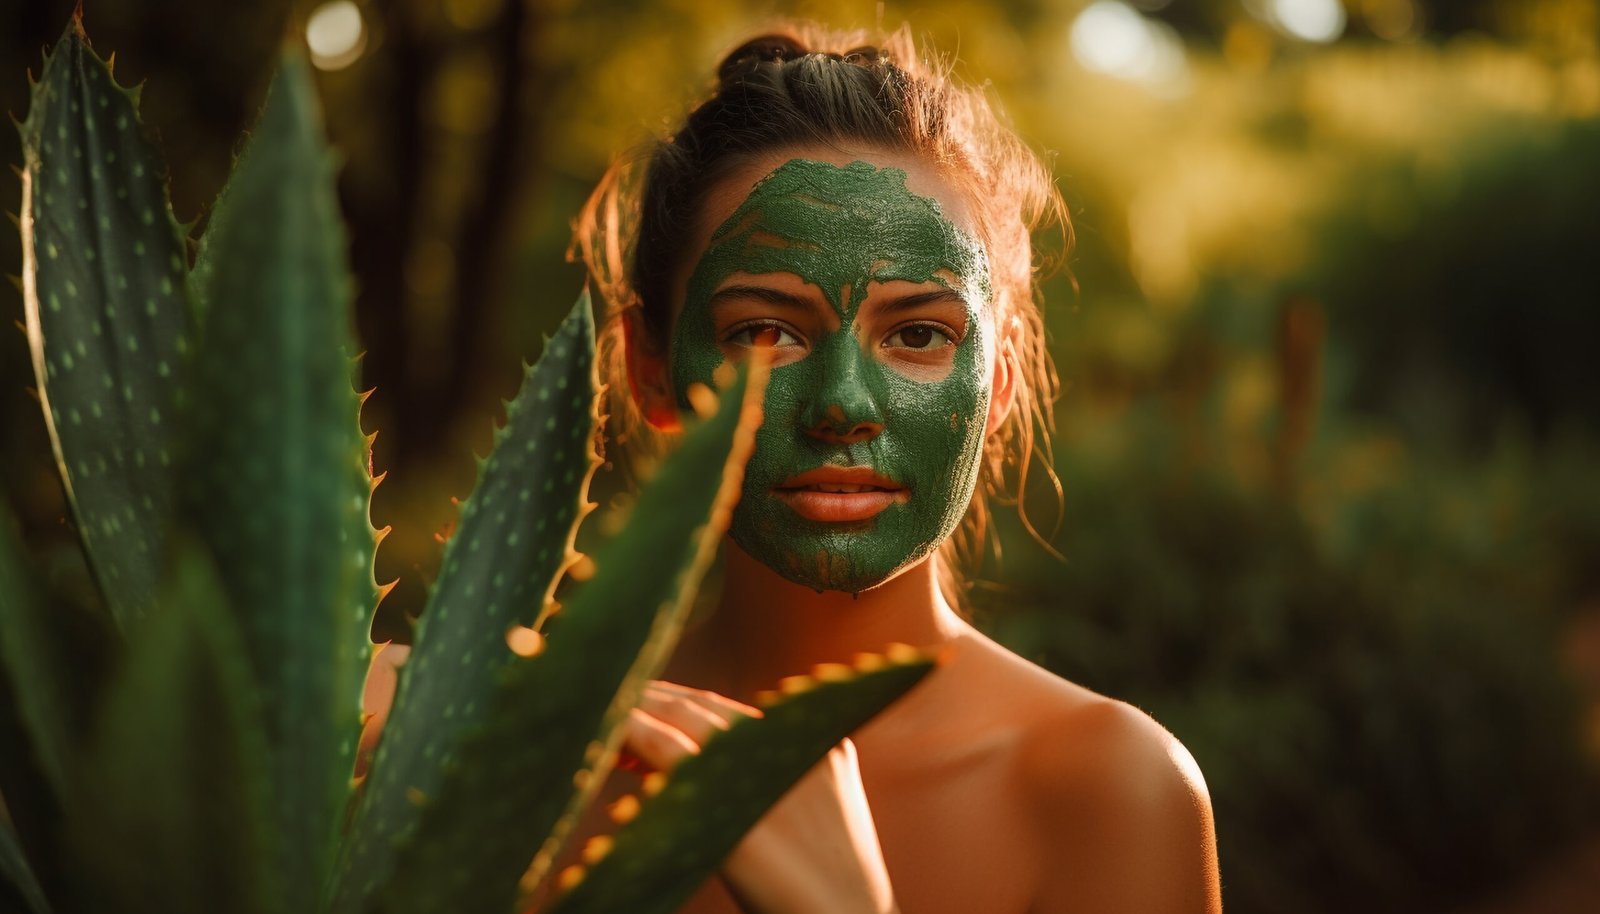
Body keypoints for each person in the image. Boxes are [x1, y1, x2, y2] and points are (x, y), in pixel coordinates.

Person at [366, 21, 1222, 914]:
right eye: (764, 332)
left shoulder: (1112, 789)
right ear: (649, 369)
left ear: (997, 383)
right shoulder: (522, 773)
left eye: (919, 334)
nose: (843, 404)